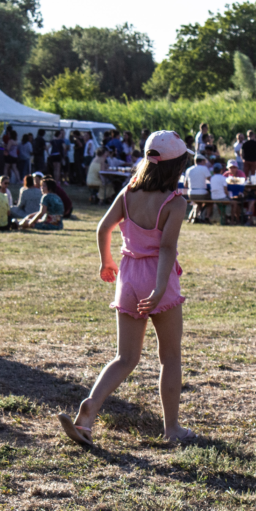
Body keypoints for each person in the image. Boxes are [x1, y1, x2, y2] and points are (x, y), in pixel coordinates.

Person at [57, 130, 194, 447]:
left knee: (125, 357)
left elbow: (103, 227)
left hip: (128, 277)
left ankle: (89, 410)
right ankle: (172, 428)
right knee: (170, 357)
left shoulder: (128, 192)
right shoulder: (175, 203)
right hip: (157, 277)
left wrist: (106, 261)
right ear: (177, 167)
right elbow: (167, 248)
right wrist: (160, 288)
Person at [183, 155, 211, 223]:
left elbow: (185, 184)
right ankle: (206, 217)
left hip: (191, 193)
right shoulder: (204, 168)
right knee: (211, 202)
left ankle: (193, 217)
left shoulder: (188, 169)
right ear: (202, 161)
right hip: (202, 193)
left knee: (197, 203)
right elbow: (210, 179)